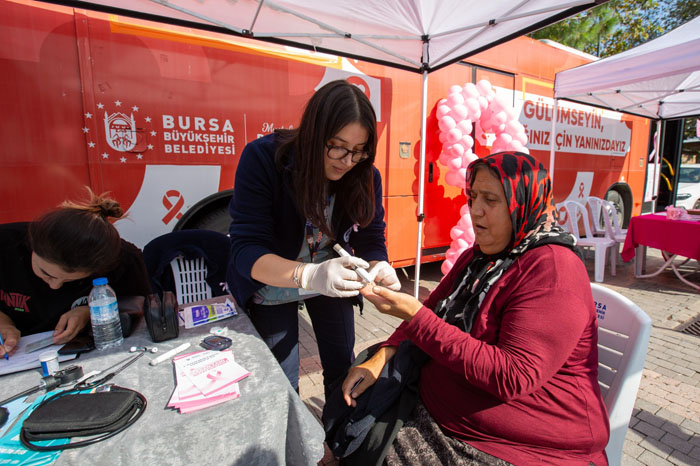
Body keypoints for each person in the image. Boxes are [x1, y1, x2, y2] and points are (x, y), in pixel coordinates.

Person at [339, 152, 610, 465]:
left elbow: (513, 376)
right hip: (445, 415)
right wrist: (384, 354)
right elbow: (433, 310)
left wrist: (415, 317)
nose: (475, 210)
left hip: (516, 445)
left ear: (524, 203)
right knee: (348, 418)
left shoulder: (552, 270)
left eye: (490, 200)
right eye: (473, 197)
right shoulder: (479, 258)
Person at [226, 79, 401, 395]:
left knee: (343, 370)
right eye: (337, 146)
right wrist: (308, 275)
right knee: (282, 383)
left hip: (333, 279)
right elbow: (246, 250)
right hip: (275, 281)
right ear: (313, 134)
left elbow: (371, 235)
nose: (346, 161)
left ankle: (338, 425)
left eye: (358, 151)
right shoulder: (264, 158)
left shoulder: (364, 173)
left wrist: (379, 263)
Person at [0, 189, 152, 356]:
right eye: (46, 273)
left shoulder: (124, 259)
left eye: (68, 281)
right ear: (31, 245)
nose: (55, 286)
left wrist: (90, 312)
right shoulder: (5, 243)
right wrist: (3, 323)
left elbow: (141, 306)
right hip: (15, 354)